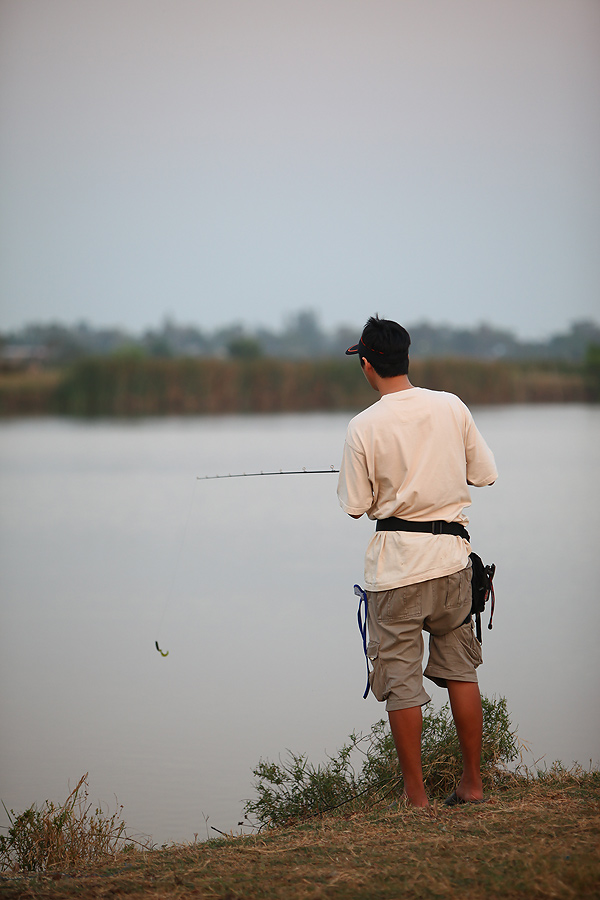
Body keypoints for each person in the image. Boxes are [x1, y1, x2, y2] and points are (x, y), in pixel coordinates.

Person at [337, 315, 497, 808]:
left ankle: (416, 798)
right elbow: (484, 474)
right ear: (406, 359)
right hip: (454, 564)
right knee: (462, 671)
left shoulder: (362, 426)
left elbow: (354, 505)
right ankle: (472, 785)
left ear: (367, 364)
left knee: (402, 683)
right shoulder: (451, 406)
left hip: (397, 572)